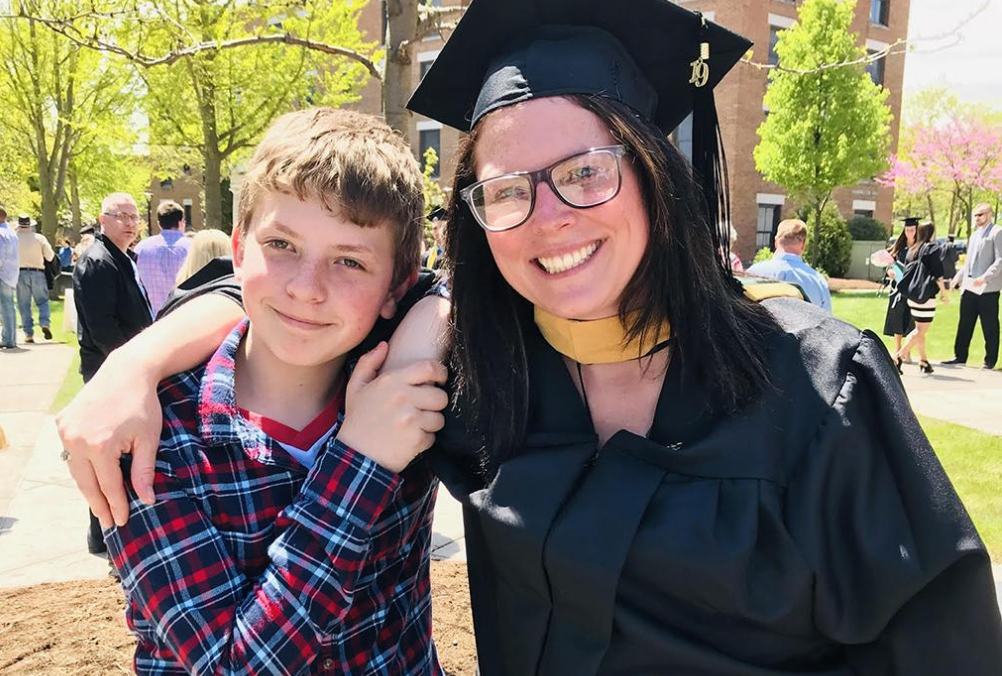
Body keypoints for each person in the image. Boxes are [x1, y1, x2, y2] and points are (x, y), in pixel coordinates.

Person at [59, 0, 1002, 673]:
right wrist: (136, 362)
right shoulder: (477, 381)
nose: (548, 217)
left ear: (654, 177)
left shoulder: (816, 388)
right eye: (507, 189)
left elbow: (939, 645)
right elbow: (300, 295)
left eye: (586, 172)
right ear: (477, 220)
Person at [76, 109, 448, 676]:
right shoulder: (152, 434)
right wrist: (363, 461)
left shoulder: (409, 381)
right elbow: (237, 667)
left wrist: (437, 312)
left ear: (396, 285)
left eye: (349, 260)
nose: (307, 289)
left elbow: (482, 279)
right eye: (282, 244)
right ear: (240, 250)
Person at [73, 193, 154, 555]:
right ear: (102, 219)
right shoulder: (97, 262)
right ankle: (102, 534)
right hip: (110, 373)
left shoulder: (123, 258)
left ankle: (107, 531)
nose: (129, 222)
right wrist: (133, 368)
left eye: (134, 216)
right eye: (120, 215)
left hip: (125, 368)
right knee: (105, 454)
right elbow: (102, 328)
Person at [943, 204, 1001, 370]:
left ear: (989, 215)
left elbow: (1000, 260)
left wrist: (984, 278)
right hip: (969, 288)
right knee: (965, 323)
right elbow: (968, 262)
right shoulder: (974, 235)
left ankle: (990, 360)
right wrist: (957, 278)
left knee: (989, 325)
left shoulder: (997, 232)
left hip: (987, 289)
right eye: (975, 215)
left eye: (981, 215)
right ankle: (959, 356)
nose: (977, 218)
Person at [894, 222, 949, 374]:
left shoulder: (913, 250)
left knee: (920, 329)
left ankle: (923, 361)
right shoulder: (931, 249)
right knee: (920, 331)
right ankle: (899, 356)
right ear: (931, 233)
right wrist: (944, 294)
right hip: (926, 295)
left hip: (913, 295)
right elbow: (938, 274)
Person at [746, 219, 831, 310]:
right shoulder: (818, 281)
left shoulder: (752, 274)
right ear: (803, 244)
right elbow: (827, 319)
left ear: (776, 241)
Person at [134, 200, 191, 315]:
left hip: (152, 318)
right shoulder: (193, 247)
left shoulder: (141, 249)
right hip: (185, 314)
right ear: (181, 223)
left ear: (159, 224)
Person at [882, 216, 918, 361]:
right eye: (907, 230)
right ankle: (897, 349)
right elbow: (890, 264)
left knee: (911, 318)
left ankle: (907, 350)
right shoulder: (899, 247)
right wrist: (889, 272)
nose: (909, 232)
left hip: (913, 288)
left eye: (912, 230)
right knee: (897, 315)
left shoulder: (920, 247)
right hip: (897, 287)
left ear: (916, 230)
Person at [15, 214, 55, 342]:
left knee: (24, 304)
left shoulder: (14, 238)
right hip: (37, 272)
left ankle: (29, 333)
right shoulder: (39, 238)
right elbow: (50, 256)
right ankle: (44, 323)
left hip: (20, 273)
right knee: (42, 301)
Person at [0, 206, 20, 349]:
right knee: (9, 307)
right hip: (10, 274)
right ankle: (10, 338)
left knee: (2, 307)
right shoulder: (11, 232)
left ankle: (7, 339)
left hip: (0, 275)